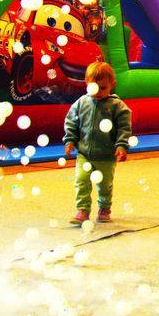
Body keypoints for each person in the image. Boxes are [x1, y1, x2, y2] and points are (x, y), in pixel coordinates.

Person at [63, 61, 132, 224]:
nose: (98, 92)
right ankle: (82, 210)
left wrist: (121, 145)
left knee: (104, 185)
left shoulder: (117, 106)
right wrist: (70, 140)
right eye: (94, 87)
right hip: (84, 154)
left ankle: (104, 207)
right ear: (87, 83)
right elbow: (71, 121)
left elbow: (124, 127)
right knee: (81, 181)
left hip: (106, 155)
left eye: (103, 88)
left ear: (112, 85)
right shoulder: (81, 103)